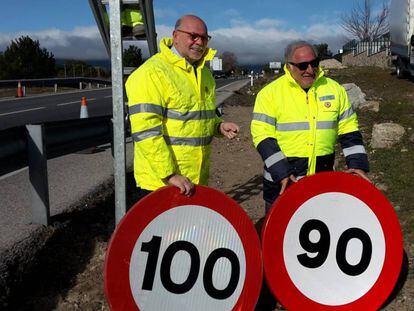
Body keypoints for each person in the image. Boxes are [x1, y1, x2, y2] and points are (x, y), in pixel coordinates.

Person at [126, 15, 239, 200]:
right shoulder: (151, 73)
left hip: (194, 180)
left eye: (204, 38)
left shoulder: (204, 74)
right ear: (175, 36)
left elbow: (196, 118)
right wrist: (170, 175)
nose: (199, 42)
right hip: (162, 184)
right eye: (193, 36)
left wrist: (218, 126)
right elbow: (146, 131)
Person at [251, 40, 369, 213]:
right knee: (277, 236)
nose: (310, 70)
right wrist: (281, 172)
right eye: (302, 65)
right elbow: (262, 135)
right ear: (289, 66)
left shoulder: (335, 90)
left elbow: (349, 128)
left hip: (322, 184)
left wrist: (357, 163)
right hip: (282, 184)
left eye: (314, 63)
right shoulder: (269, 94)